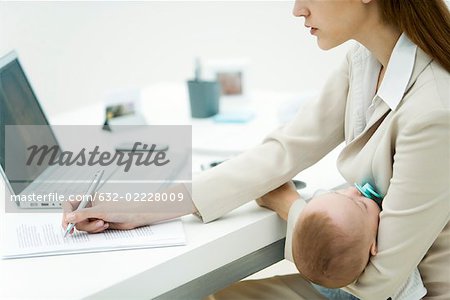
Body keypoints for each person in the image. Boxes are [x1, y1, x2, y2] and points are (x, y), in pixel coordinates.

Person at [63, 0, 450, 299]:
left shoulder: (434, 110)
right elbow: (284, 151)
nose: (297, 9)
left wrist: (288, 206)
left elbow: (380, 281)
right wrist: (139, 207)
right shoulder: (365, 59)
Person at [289, 186, 426, 299]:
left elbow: (321, 196)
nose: (354, 190)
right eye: (362, 204)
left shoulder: (346, 222)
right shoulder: (393, 259)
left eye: (337, 193)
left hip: (327, 287)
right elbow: (412, 295)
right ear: (373, 246)